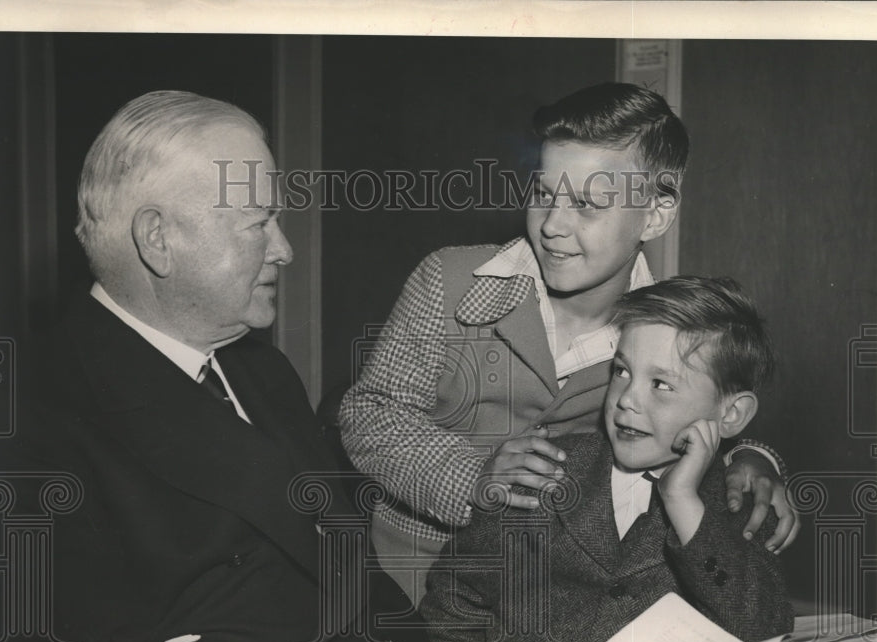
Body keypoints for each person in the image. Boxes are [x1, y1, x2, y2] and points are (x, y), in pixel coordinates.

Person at [5, 90, 540, 642]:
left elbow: (350, 575)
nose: (284, 249)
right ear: (159, 239)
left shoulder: (261, 370)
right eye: (258, 223)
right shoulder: (30, 409)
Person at [339, 83, 799, 605]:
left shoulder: (664, 330)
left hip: (549, 599)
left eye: (587, 205)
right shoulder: (451, 279)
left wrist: (752, 458)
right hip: (401, 581)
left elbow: (687, 416)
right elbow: (371, 413)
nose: (553, 225)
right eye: (543, 194)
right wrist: (472, 479)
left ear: (656, 215)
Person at [420, 276, 795, 642]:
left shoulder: (743, 505)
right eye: (621, 372)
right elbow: (454, 597)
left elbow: (763, 633)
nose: (627, 399)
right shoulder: (543, 474)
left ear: (731, 414)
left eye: (661, 384)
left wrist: (683, 502)